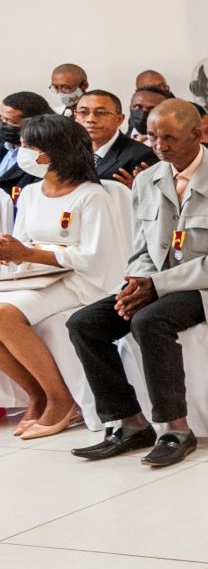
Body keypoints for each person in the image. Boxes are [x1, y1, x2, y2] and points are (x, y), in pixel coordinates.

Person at [68, 99, 208, 469]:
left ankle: (176, 428)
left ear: (198, 134)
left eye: (170, 137)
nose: (159, 146)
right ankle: (128, 422)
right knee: (84, 324)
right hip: (160, 283)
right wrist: (137, 282)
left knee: (149, 321)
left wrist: (156, 285)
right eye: (153, 136)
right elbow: (141, 248)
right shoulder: (147, 179)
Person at [0, 116, 127, 437]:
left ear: (53, 151)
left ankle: (61, 399)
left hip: (83, 282)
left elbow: (94, 257)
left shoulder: (91, 195)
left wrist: (29, 254)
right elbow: (23, 244)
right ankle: (36, 394)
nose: (22, 153)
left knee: (4, 315)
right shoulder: (30, 192)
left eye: (29, 147)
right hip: (40, 277)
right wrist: (11, 253)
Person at [74, 91, 157, 186]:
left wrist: (137, 190)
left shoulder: (141, 155)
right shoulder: (68, 150)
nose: (90, 119)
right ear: (75, 117)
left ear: (119, 119)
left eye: (100, 113)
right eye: (83, 112)